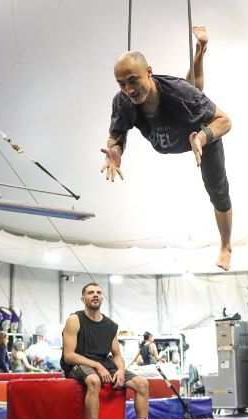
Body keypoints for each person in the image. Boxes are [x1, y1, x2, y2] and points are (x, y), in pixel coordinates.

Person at [100, 26, 234, 271]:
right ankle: (200, 51)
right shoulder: (123, 101)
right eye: (121, 84)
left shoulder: (178, 94)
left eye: (133, 81)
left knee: (218, 189)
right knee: (191, 94)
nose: (129, 90)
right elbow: (116, 133)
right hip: (171, 137)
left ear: (148, 72)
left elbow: (225, 120)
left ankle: (225, 246)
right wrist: (116, 150)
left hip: (199, 137)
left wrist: (203, 138)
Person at [61, 283, 163, 419]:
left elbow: (117, 355)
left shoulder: (110, 325)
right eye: (90, 293)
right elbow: (69, 355)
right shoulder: (74, 320)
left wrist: (122, 371)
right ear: (83, 298)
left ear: (102, 298)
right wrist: (96, 366)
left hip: (103, 363)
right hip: (79, 363)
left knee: (142, 384)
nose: (95, 295)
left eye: (99, 293)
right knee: (93, 380)